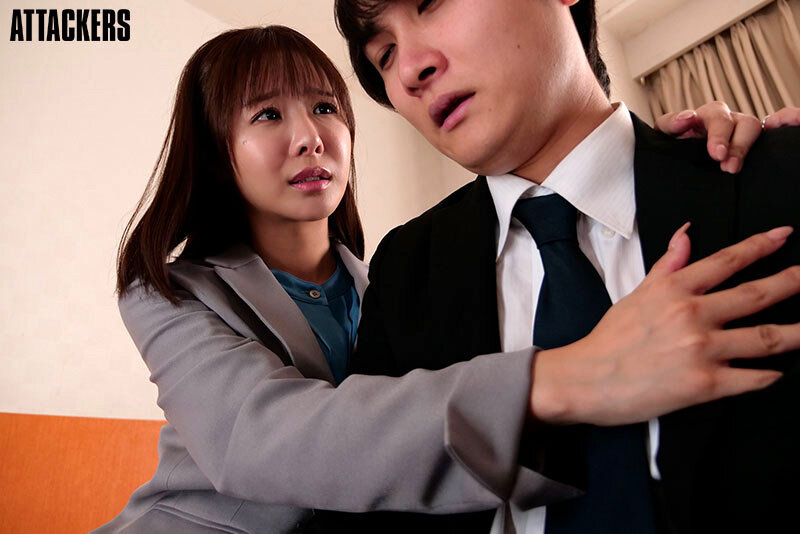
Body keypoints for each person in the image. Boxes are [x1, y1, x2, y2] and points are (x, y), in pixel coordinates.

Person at [96, 19, 788, 534]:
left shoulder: (387, 279)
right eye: (268, 114)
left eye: (326, 107)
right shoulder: (171, 291)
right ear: (217, 156)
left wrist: (702, 162)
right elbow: (259, 440)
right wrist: (568, 375)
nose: (311, 137)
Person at [334, 0, 800, 532]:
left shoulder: (776, 173)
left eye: (432, 3)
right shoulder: (403, 271)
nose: (410, 69)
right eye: (385, 54)